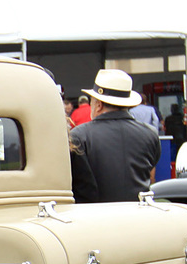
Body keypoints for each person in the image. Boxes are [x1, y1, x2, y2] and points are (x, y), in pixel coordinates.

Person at [68, 69, 162, 203]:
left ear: (98, 105)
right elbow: (151, 171)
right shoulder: (150, 134)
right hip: (139, 215)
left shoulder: (79, 136)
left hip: (94, 218)